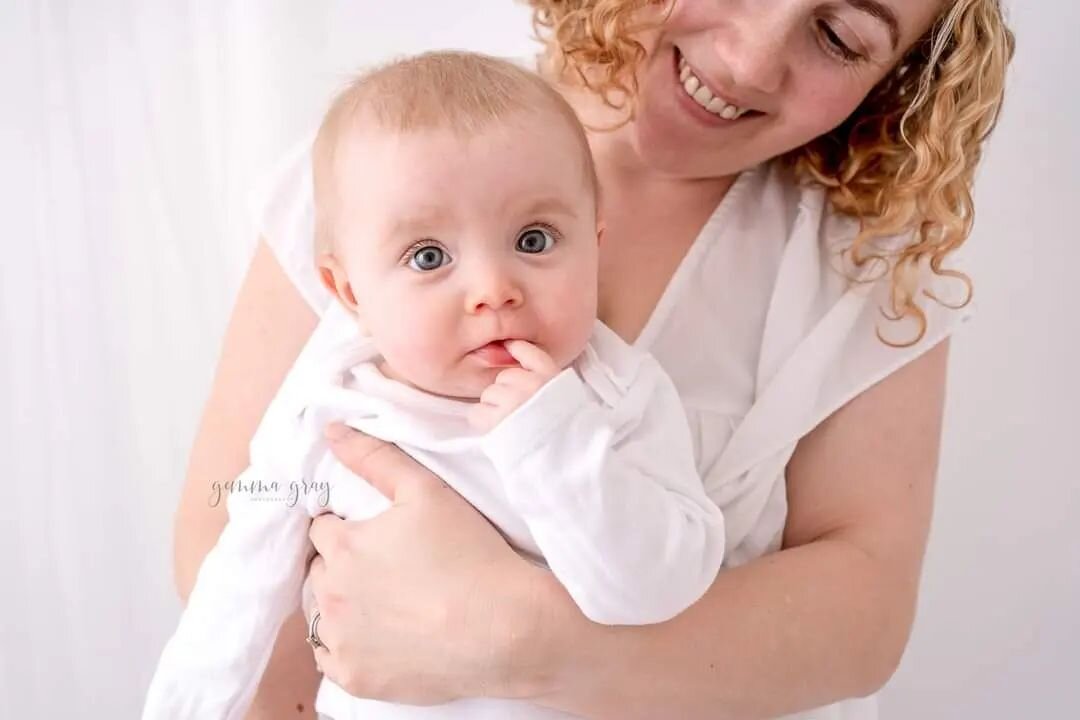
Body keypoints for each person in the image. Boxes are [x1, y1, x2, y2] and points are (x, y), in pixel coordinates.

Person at [172, 1, 1015, 718]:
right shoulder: (380, 157)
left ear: (898, 78)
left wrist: (527, 642)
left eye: (837, 35)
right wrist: (340, 632)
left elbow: (862, 610)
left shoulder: (866, 271)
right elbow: (230, 517)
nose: (751, 60)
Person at [144, 51, 725, 720]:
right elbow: (239, 586)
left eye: (534, 241)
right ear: (350, 292)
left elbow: (655, 590)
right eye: (428, 257)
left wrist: (554, 441)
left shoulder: (616, 397)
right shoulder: (329, 407)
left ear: (594, 245)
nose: (494, 291)